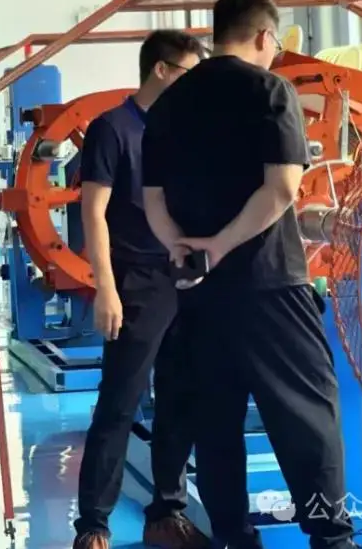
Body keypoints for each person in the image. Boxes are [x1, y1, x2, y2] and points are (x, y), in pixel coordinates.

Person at [141, 0, 357, 549]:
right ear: (265, 36)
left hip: (199, 294)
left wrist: (184, 249)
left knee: (216, 425)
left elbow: (153, 200)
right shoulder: (269, 90)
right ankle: (332, 539)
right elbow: (282, 188)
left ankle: (234, 539)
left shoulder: (168, 103)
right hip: (270, 286)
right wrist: (221, 245)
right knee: (307, 416)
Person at [74, 29, 208, 549]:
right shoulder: (113, 129)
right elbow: (93, 212)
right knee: (120, 402)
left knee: (181, 398)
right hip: (136, 282)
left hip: (184, 279)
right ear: (161, 69)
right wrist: (105, 288)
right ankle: (93, 524)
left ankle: (167, 512)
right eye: (189, 74)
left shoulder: (184, 130)